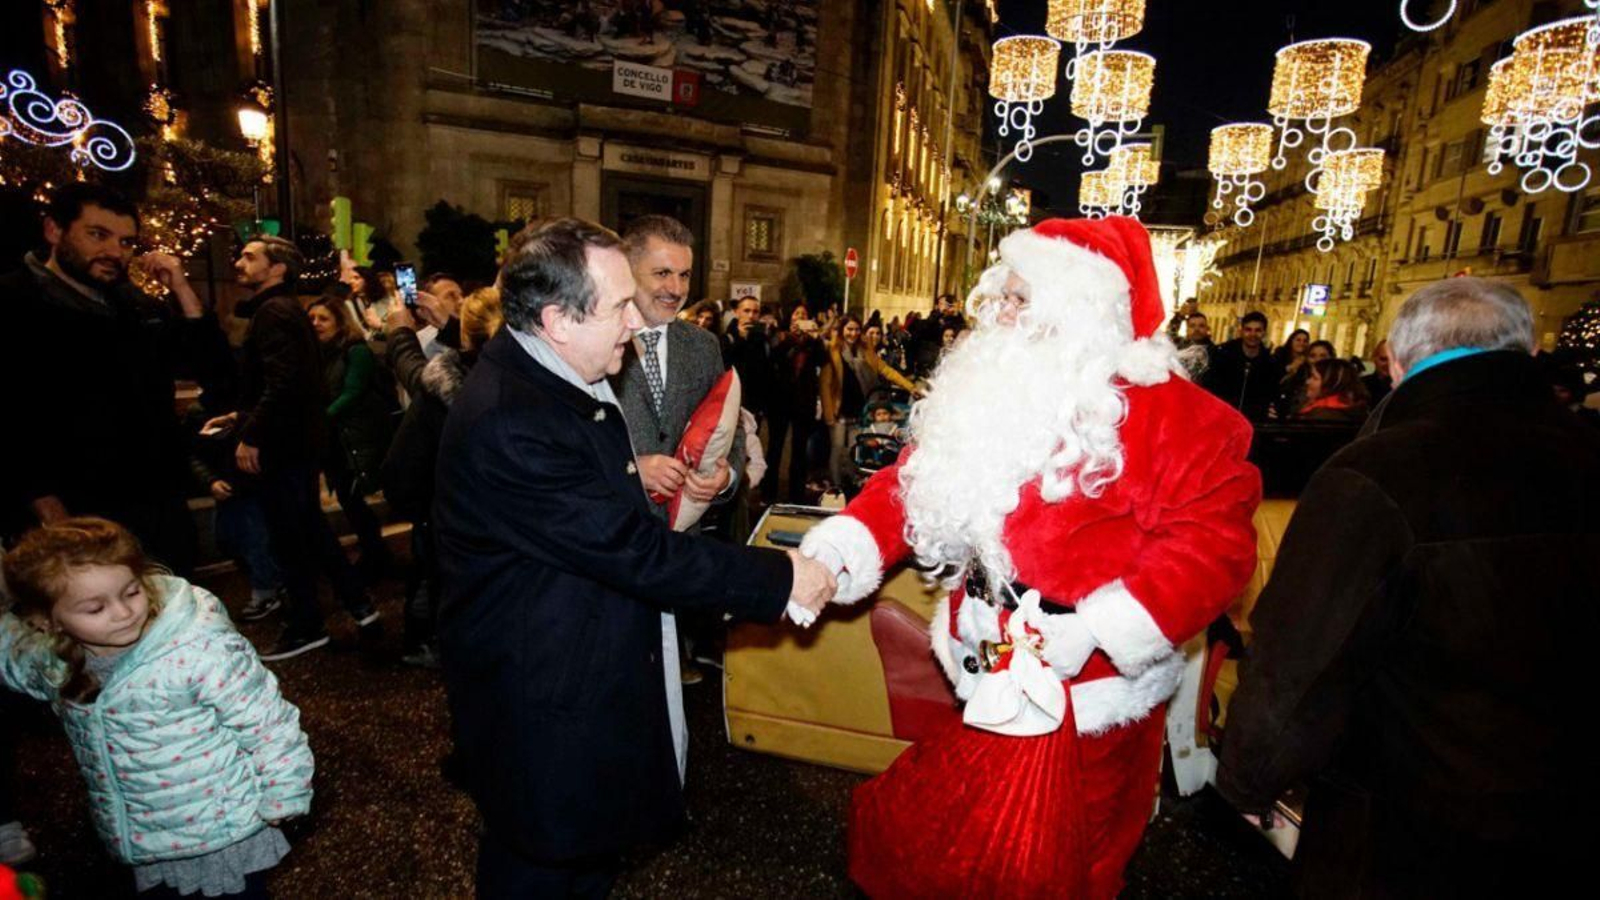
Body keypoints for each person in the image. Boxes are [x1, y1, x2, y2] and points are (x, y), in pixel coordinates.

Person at [800, 217, 1261, 898]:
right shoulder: (993, 392)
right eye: (1001, 297)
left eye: (1020, 300)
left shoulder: (1183, 419)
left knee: (1069, 860)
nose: (999, 315)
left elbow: (1213, 550)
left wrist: (1096, 631)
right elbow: (910, 486)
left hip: (1090, 691)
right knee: (951, 840)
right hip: (987, 661)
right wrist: (837, 553)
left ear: (1079, 314)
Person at [432, 218, 835, 896]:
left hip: (573, 675)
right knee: (542, 862)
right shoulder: (515, 420)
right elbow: (627, 547)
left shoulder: (556, 379)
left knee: (579, 855)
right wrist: (781, 575)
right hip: (540, 703)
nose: (635, 321)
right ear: (559, 319)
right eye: (620, 305)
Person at [1218, 277, 1600, 896]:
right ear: (1528, 358)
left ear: (1395, 360)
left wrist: (1249, 779)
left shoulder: (1378, 471)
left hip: (1409, 808)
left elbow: (1300, 657)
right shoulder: (1587, 451)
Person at [0, 517, 314, 899]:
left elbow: (268, 722)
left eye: (131, 592)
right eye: (95, 608)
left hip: (219, 830)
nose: (123, 612)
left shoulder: (197, 648)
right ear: (47, 621)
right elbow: (12, 659)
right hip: (142, 835)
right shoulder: (55, 661)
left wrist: (286, 789)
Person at [1, 183, 228, 574]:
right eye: (97, 235)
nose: (114, 252)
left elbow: (215, 371)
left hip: (155, 506)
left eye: (126, 242)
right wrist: (50, 510)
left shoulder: (134, 306)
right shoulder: (14, 303)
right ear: (55, 231)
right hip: (74, 515)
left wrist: (182, 289)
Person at [204, 236, 377, 662]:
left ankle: (308, 624)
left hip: (282, 446)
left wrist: (252, 434)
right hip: (290, 441)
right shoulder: (281, 310)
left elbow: (285, 384)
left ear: (277, 268)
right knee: (308, 531)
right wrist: (240, 418)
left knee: (291, 539)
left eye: (250, 257)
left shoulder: (275, 312)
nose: (239, 262)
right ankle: (359, 608)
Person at [610, 216, 744, 693]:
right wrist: (633, 470)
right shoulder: (597, 338)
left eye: (684, 275)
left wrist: (725, 477)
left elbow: (731, 430)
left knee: (666, 688)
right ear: (629, 270)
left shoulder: (703, 346)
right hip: (611, 547)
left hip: (680, 548)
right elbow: (566, 442)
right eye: (662, 274)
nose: (676, 289)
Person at [381, 289, 504, 668]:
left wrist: (400, 333)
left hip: (444, 513)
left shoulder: (451, 386)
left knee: (435, 577)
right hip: (488, 524)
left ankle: (429, 643)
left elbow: (419, 373)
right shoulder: (516, 380)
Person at [307, 296, 396, 580]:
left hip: (357, 438)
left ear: (340, 322)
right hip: (337, 440)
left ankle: (377, 556)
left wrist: (318, 420)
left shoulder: (355, 351)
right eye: (311, 319)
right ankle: (374, 552)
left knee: (356, 498)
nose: (316, 324)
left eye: (323, 318)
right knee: (350, 500)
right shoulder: (319, 355)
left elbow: (353, 392)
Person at [821, 315, 920, 487]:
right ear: (842, 330)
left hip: (859, 407)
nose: (853, 333)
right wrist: (829, 414)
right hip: (839, 409)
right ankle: (836, 485)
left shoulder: (865, 351)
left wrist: (910, 387)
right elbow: (825, 384)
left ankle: (852, 481)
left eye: (857, 329)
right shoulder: (833, 351)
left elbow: (886, 370)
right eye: (849, 329)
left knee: (854, 448)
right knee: (837, 449)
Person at [765, 305, 827, 503]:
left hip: (803, 402)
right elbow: (773, 357)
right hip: (780, 401)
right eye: (796, 314)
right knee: (775, 448)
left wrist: (816, 338)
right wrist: (790, 338)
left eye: (804, 315)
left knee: (799, 450)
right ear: (790, 318)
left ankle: (796, 494)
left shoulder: (812, 343)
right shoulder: (781, 336)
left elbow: (822, 361)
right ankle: (769, 493)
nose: (800, 317)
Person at [1203, 311, 1284, 420]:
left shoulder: (1270, 363)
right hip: (1222, 418)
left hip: (1252, 422)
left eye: (1258, 330)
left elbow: (1272, 394)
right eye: (1248, 329)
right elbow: (1210, 387)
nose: (1252, 335)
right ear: (1241, 331)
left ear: (1264, 332)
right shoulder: (1222, 355)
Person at [722, 294, 775, 422]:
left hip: (754, 406)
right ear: (737, 312)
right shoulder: (726, 338)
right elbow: (725, 366)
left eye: (755, 312)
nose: (751, 316)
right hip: (730, 404)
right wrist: (740, 339)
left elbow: (766, 372)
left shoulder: (763, 340)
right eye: (746, 311)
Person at [1294, 358, 1369, 422]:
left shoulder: (1320, 417)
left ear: (1331, 385)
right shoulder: (1352, 410)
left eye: (1314, 378)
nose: (1308, 381)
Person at [1361, 338, 1394, 406]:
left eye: (1392, 360)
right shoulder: (1360, 385)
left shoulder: (1404, 387)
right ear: (1374, 358)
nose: (1388, 364)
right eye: (1383, 359)